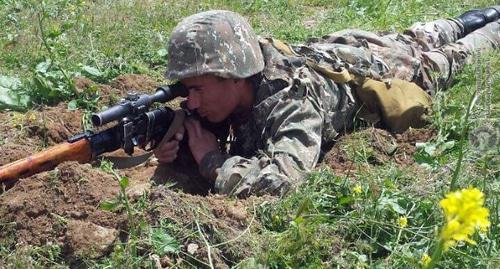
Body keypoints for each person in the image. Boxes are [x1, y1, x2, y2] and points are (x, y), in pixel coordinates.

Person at [153, 7, 500, 197]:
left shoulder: (290, 102)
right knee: (417, 36)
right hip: (344, 50)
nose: (191, 102)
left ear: (236, 77)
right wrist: (180, 144)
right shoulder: (242, 63)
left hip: (385, 70)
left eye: (197, 89)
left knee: (448, 54)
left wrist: (212, 160)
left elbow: (286, 179)